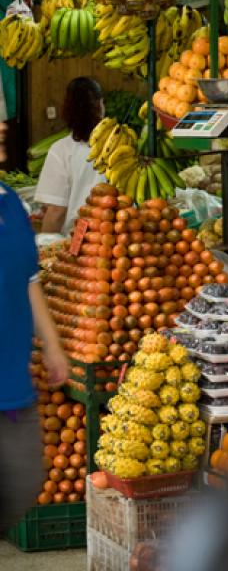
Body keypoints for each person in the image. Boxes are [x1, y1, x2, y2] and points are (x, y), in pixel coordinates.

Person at [0, 119, 69, 534]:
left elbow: (29, 281)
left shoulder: (10, 202)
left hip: (13, 384)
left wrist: (53, 345)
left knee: (24, 480)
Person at [35, 77, 106, 235]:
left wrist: (44, 246)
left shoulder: (61, 150)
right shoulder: (121, 146)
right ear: (100, 105)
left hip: (77, 241)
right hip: (120, 237)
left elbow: (56, 212)